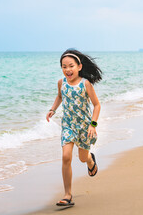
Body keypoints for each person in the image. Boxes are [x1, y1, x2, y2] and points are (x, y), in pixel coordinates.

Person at [46, 49, 102, 206]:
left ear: (79, 67)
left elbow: (97, 105)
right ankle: (68, 195)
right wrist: (53, 109)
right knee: (66, 157)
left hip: (85, 127)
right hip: (68, 126)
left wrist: (93, 125)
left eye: (71, 66)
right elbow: (59, 96)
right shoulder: (61, 83)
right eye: (64, 66)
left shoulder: (85, 84)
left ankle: (91, 160)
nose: (67, 70)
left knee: (83, 158)